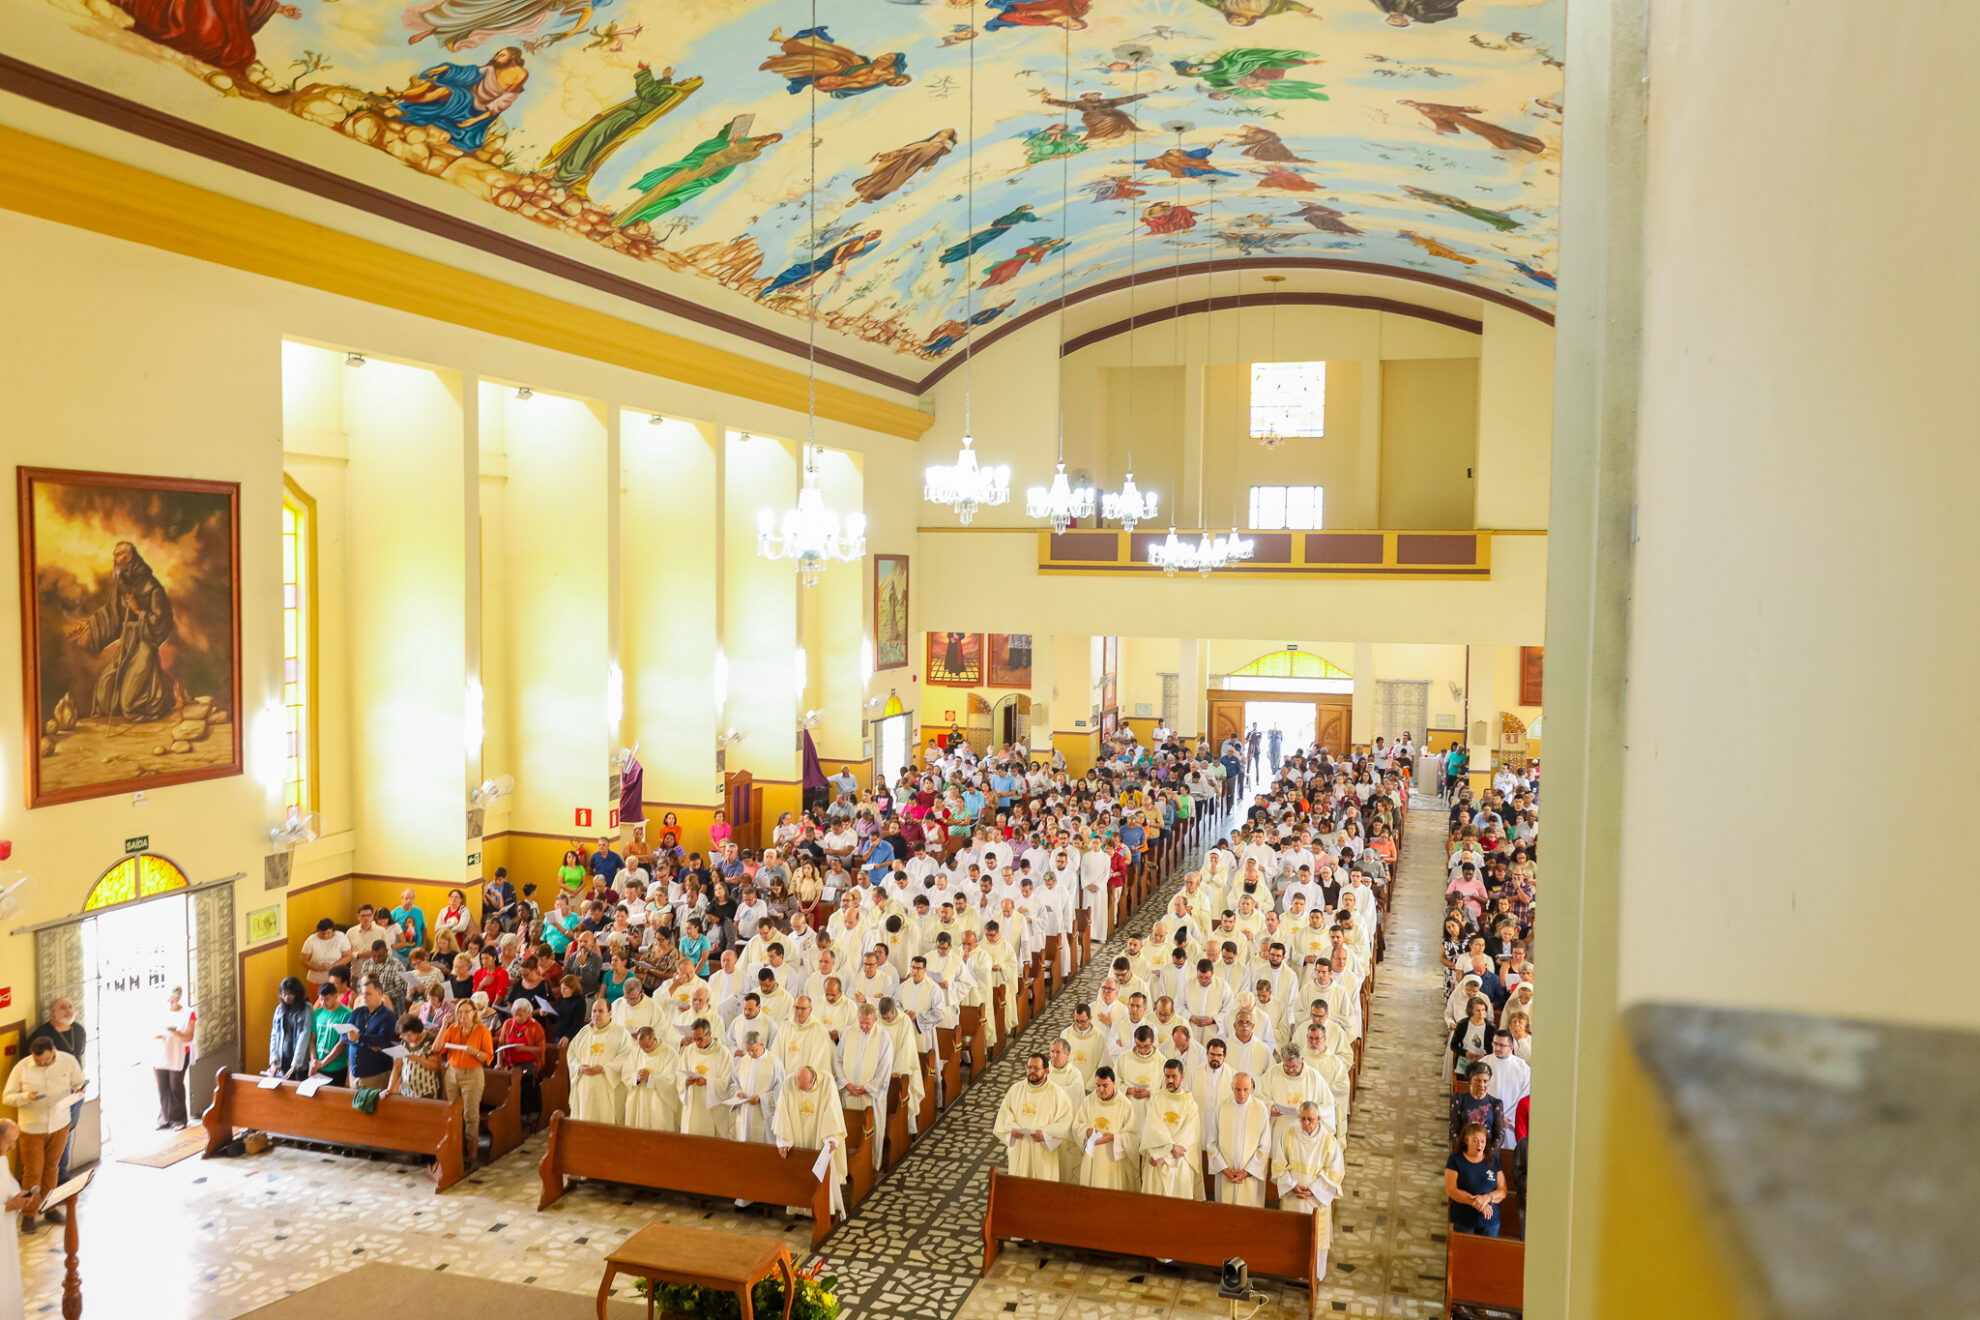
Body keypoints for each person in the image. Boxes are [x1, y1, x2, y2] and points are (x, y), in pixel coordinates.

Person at [2, 1038, 84, 1234]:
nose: (42, 1064)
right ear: (32, 1055)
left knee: (52, 1169)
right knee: (33, 1172)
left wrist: (78, 1090)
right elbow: (7, 1096)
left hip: (59, 1123)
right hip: (32, 1128)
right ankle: (28, 1215)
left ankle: (50, 1208)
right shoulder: (22, 1067)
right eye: (38, 1061)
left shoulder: (68, 1061)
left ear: (53, 1051)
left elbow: (78, 1082)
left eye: (46, 1060)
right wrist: (26, 1097)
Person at [27, 999, 86, 1190]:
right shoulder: (42, 1035)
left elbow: (79, 1057)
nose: (68, 1010)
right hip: (52, 1096)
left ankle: (61, 1175)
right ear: (52, 1013)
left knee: (66, 1132)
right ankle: (54, 1179)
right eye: (63, 1007)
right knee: (55, 1135)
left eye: (70, 1006)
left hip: (74, 1092)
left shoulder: (78, 1030)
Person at [992, 1052, 1074, 1181]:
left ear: (1046, 1071)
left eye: (1036, 1068)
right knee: (1019, 1189)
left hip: (1043, 1152)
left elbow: (1065, 1122)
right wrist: (1012, 1132)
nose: (1031, 1071)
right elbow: (1004, 1116)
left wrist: (1045, 1135)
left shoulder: (1058, 1094)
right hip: (1021, 1149)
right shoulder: (1015, 1090)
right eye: (1029, 1067)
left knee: (1042, 1192)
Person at [438, 998, 494, 1168]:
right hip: (452, 1074)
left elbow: (487, 1057)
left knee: (470, 1114)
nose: (463, 1015)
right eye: (460, 1012)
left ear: (474, 1012)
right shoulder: (453, 1029)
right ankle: (456, 1147)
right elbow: (438, 1048)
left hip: (472, 1075)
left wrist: (476, 1053)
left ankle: (472, 1153)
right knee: (453, 1112)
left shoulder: (482, 1031)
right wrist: (443, 1026)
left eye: (467, 1012)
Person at [1446, 1121, 1508, 1236]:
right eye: (1475, 1140)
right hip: (1462, 1222)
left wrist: (1486, 1198)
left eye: (1482, 1141)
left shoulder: (1493, 1160)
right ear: (1466, 1140)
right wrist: (1476, 1202)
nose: (1479, 1145)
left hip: (1490, 1223)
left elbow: (1503, 1191)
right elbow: (1451, 1190)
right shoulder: (1455, 1159)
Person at [153, 986, 197, 1130]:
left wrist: (178, 1034)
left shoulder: (188, 1013)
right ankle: (165, 1118)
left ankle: (179, 1119)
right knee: (162, 1085)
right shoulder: (160, 1012)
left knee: (175, 1084)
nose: (171, 1003)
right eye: (169, 1001)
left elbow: (190, 1036)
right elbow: (153, 1031)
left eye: (174, 1000)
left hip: (180, 1052)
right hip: (162, 1052)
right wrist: (160, 1034)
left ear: (179, 999)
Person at [345, 976, 399, 1093]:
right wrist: (367, 1043)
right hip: (355, 1072)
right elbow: (345, 1036)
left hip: (376, 1074)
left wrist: (358, 1037)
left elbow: (383, 1040)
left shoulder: (388, 1015)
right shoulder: (358, 1012)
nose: (364, 997)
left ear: (379, 993)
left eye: (368, 994)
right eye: (363, 993)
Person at [265, 977, 315, 1081]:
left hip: (300, 1060)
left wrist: (295, 1064)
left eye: (290, 994)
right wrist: (274, 1060)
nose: (286, 997)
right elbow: (274, 1035)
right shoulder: (279, 1009)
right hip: (283, 1057)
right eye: (284, 994)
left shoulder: (307, 1008)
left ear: (297, 993)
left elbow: (305, 1035)